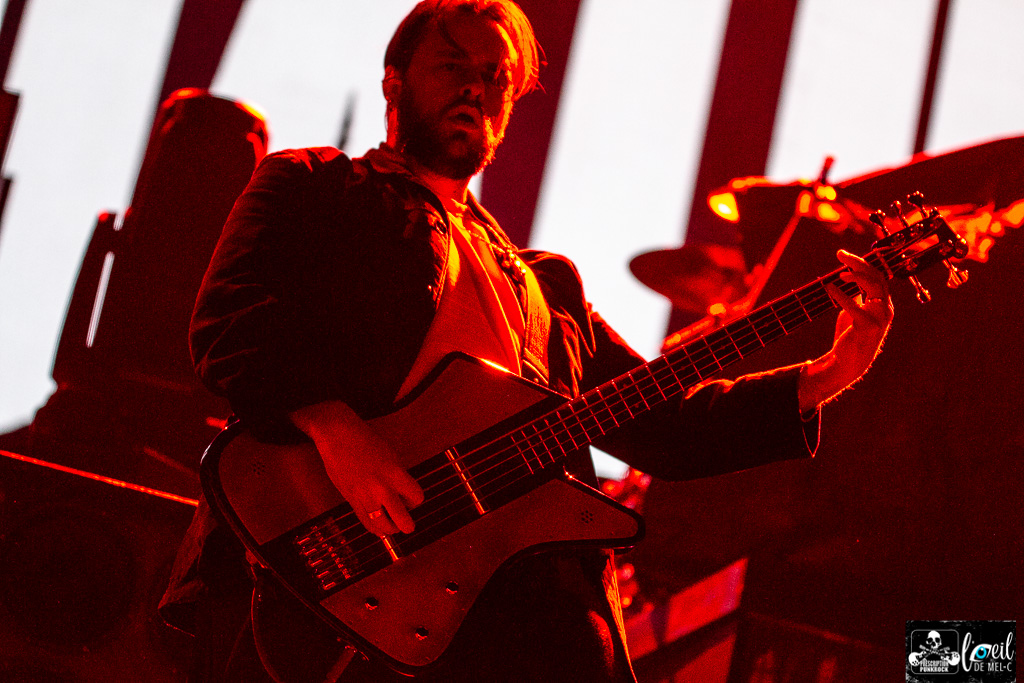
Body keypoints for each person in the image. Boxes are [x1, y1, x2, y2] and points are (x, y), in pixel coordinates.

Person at [160, 1, 893, 680]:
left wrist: (829, 372)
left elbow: (665, 424)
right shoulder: (315, 184)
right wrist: (336, 429)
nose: (475, 89)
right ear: (393, 82)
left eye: (495, 78)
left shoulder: (546, 287)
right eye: (453, 65)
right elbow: (230, 318)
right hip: (326, 570)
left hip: (513, 614)